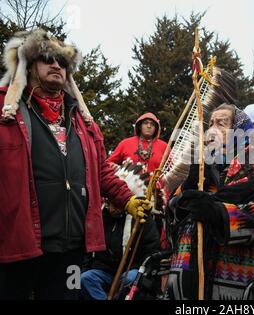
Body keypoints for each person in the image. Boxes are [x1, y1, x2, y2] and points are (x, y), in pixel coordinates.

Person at [0, 29, 148, 300]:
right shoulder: (4, 110)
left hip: (71, 248)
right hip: (16, 244)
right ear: (29, 65)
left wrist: (127, 200)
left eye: (63, 62)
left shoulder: (84, 121)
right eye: (47, 58)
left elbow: (101, 169)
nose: (57, 65)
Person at [166, 103, 254, 300]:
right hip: (192, 281)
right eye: (210, 124)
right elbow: (172, 212)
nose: (212, 129)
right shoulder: (201, 168)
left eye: (221, 124)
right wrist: (186, 191)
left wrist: (216, 211)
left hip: (234, 281)